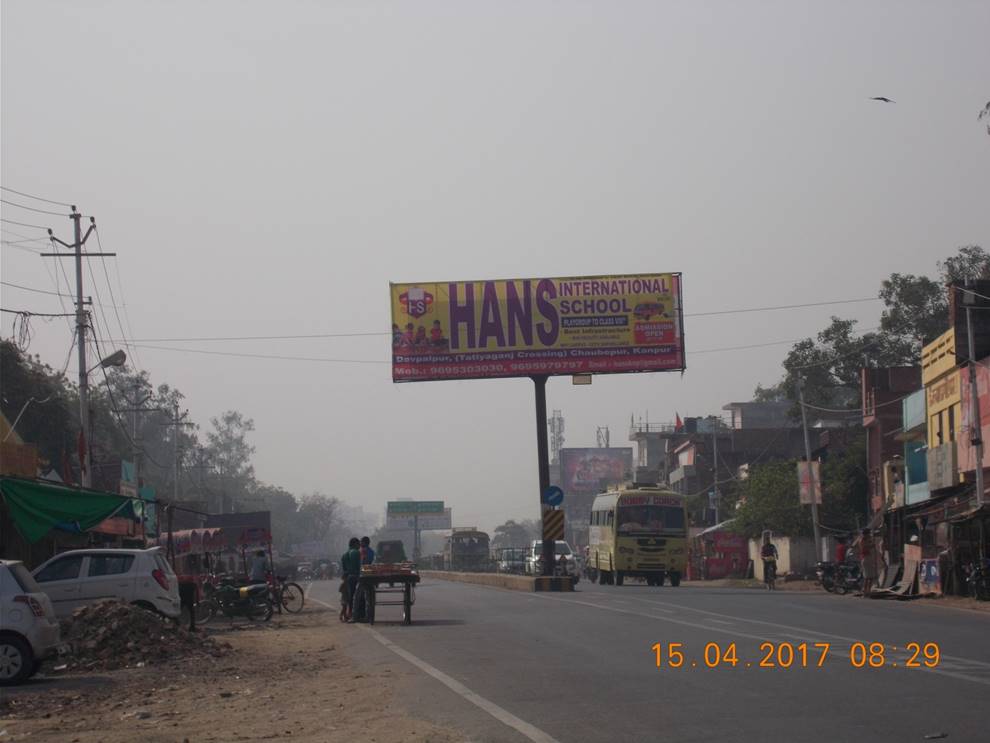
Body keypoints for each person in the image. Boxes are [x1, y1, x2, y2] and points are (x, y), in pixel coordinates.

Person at [340, 538, 361, 623]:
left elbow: (344, 569)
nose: (359, 546)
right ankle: (352, 614)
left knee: (348, 597)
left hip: (347, 577)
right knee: (355, 596)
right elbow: (358, 566)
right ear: (355, 544)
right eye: (358, 544)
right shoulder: (356, 553)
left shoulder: (344, 555)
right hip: (355, 576)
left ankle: (346, 614)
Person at [860, 529, 878, 598]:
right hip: (866, 559)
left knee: (871, 577)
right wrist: (871, 545)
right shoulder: (863, 540)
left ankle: (868, 592)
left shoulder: (868, 539)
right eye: (868, 534)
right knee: (867, 577)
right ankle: (865, 592)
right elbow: (864, 548)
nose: (869, 535)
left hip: (869, 559)